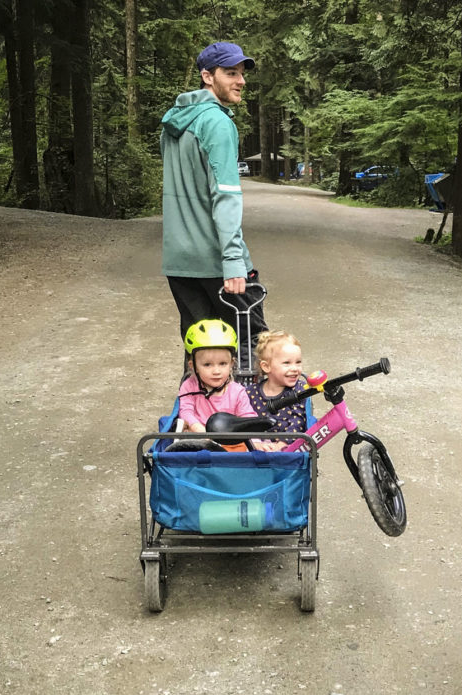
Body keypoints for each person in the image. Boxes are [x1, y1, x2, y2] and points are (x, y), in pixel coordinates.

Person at [160, 41, 267, 359]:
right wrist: (234, 262)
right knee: (253, 349)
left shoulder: (174, 124)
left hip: (180, 262)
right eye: (231, 73)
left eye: (242, 74)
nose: (241, 81)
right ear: (208, 76)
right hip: (218, 263)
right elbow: (226, 196)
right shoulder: (218, 123)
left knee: (202, 356)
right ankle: (248, 411)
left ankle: (193, 410)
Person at [176, 319, 273, 452]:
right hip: (199, 438)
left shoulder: (237, 391)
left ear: (232, 364)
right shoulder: (189, 387)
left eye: (223, 364)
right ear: (194, 366)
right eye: (207, 365)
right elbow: (186, 411)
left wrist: (256, 442)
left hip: (231, 442)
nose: (216, 371)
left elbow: (247, 417)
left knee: (252, 453)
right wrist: (200, 430)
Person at [245, 331, 308, 450]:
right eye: (287, 363)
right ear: (266, 366)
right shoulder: (250, 392)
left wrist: (281, 444)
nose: (295, 368)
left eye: (298, 362)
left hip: (287, 450)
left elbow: (298, 421)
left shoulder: (299, 389)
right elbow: (245, 421)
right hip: (256, 450)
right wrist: (256, 445)